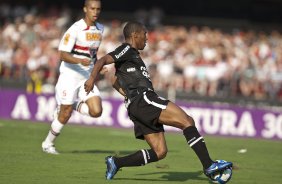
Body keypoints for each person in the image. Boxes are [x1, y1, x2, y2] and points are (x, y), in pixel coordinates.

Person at [84, 21, 233, 181]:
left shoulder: (131, 57)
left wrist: (129, 96)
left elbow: (114, 81)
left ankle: (116, 162)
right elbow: (101, 61)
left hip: (136, 104)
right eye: (144, 34)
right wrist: (91, 79)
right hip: (144, 99)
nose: (147, 38)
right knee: (187, 121)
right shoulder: (126, 49)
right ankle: (209, 165)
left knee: (160, 151)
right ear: (135, 35)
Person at [42, 0, 105, 154]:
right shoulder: (75, 29)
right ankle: (47, 143)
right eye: (92, 9)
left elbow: (93, 55)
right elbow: (62, 54)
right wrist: (78, 60)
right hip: (70, 76)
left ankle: (74, 104)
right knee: (65, 114)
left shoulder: (100, 29)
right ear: (85, 9)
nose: (95, 12)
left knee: (96, 111)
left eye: (98, 9)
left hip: (86, 77)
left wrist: (99, 67)